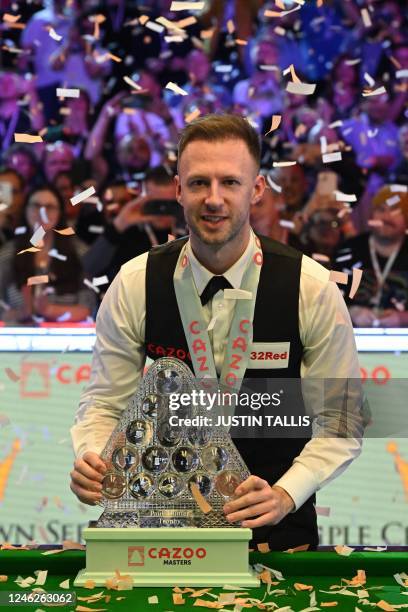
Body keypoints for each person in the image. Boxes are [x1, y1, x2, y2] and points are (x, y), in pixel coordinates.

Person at [70, 114, 364, 550]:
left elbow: (342, 420)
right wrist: (92, 456)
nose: (214, 199)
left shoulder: (311, 286)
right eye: (198, 183)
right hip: (163, 532)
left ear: (257, 189)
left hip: (278, 535)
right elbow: (104, 402)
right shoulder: (135, 281)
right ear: (177, 190)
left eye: (230, 182)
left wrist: (286, 494)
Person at [0, 185, 94, 323]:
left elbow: (88, 307)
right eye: (36, 205)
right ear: (25, 210)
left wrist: (49, 310)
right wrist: (22, 313)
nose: (42, 212)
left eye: (50, 207)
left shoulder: (78, 251)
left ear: (59, 213)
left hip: (69, 338)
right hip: (19, 338)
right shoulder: (9, 253)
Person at [334, 185, 408, 328]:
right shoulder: (348, 251)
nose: (386, 217)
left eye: (394, 210)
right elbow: (327, 298)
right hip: (353, 338)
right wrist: (351, 312)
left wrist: (403, 318)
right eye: (381, 210)